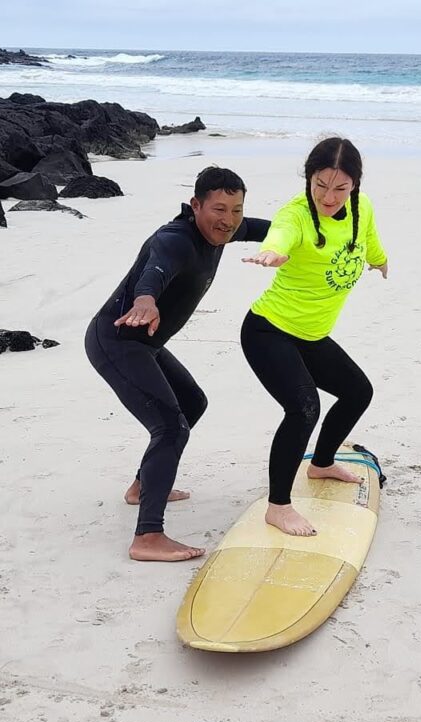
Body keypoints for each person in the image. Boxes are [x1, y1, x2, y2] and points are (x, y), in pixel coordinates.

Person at [85, 167, 270, 562]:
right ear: (195, 205)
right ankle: (148, 537)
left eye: (237, 209)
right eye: (219, 209)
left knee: (192, 404)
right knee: (170, 426)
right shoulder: (177, 239)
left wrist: (320, 232)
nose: (229, 219)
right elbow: (155, 270)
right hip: (117, 340)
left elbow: (265, 229)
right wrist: (145, 300)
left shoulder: (222, 229)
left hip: (145, 343)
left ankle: (141, 487)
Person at [241, 137, 388, 537]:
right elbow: (281, 233)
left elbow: (368, 237)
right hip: (269, 330)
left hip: (310, 335)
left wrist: (379, 260)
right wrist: (273, 252)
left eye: (340, 187)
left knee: (358, 392)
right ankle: (278, 506)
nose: (329, 196)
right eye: (320, 184)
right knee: (304, 407)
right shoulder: (296, 216)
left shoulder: (362, 208)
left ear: (355, 184)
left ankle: (321, 463)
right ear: (309, 178)